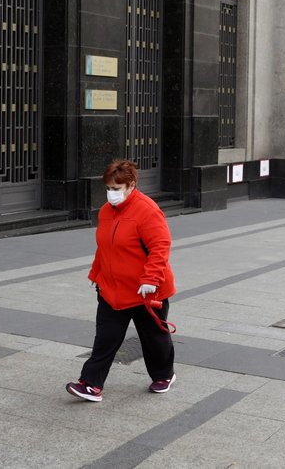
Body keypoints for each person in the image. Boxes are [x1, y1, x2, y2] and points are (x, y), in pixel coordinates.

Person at [66, 159, 176, 402]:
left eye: (116, 189)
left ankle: (164, 375)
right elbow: (105, 247)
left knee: (153, 338)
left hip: (146, 291)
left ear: (131, 185)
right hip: (113, 289)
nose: (111, 194)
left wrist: (150, 279)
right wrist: (96, 274)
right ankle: (90, 384)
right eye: (108, 188)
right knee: (105, 338)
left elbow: (160, 247)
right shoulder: (106, 212)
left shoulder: (147, 210)